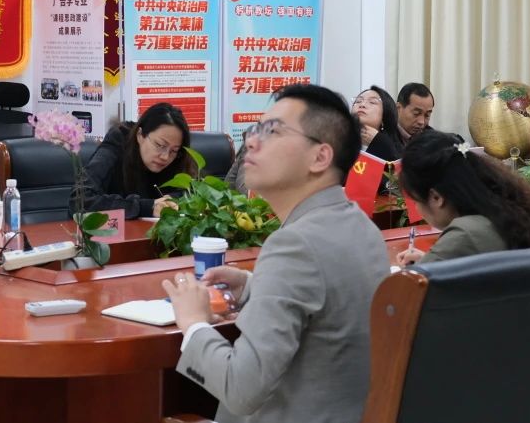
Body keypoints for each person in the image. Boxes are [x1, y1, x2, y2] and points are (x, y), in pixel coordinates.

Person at [162, 84, 388, 423]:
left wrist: (193, 323)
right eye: (256, 130)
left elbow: (240, 389)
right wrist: (253, 286)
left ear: (320, 157)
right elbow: (326, 305)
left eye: (273, 132)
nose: (252, 142)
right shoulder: (360, 226)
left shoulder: (295, 245)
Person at [395, 129, 530, 266]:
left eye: (415, 200)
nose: (417, 208)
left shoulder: (463, 234)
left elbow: (411, 292)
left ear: (436, 197)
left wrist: (427, 265)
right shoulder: (513, 210)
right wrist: (433, 261)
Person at [76, 102, 194, 220]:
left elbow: (194, 193)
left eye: (174, 150)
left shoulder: (179, 158)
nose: (165, 157)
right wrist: (147, 207)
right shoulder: (117, 142)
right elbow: (80, 199)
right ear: (140, 135)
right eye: (160, 145)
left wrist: (172, 201)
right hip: (114, 230)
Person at [353, 86, 403, 162]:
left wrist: (379, 142)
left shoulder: (392, 150)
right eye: (358, 101)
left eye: (372, 102)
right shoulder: (340, 142)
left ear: (385, 115)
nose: (362, 104)